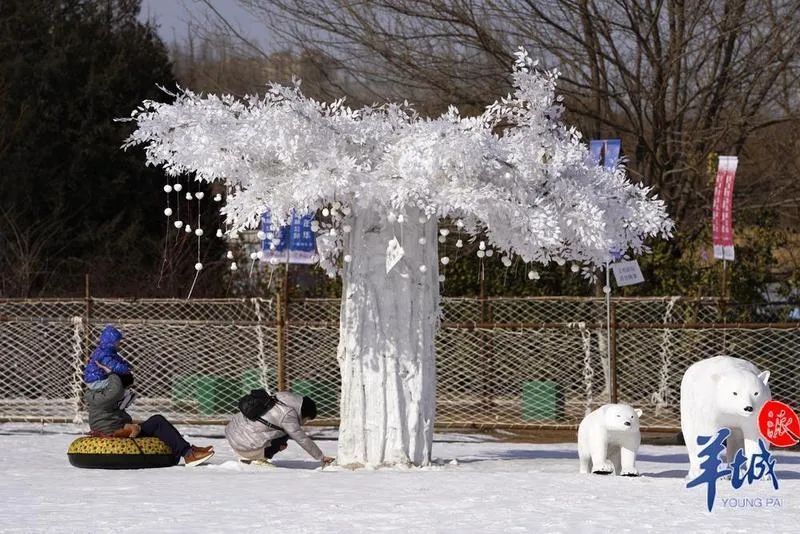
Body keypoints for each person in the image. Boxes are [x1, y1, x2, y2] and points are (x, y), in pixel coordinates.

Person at [85, 370, 215, 467]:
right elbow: (116, 390)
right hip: (115, 432)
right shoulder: (102, 398)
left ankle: (187, 449)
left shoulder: (97, 397)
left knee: (155, 424)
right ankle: (188, 454)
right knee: (157, 422)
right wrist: (112, 373)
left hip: (116, 428)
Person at [225, 390, 334, 467]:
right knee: (287, 433)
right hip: (245, 445)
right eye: (307, 419)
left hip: (234, 436)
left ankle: (251, 455)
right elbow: (301, 438)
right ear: (303, 412)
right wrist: (321, 457)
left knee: (280, 431)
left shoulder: (280, 397)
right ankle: (258, 458)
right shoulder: (288, 414)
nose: (304, 422)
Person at [84, 325, 132, 391]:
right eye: (118, 342)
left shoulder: (108, 351)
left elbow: (117, 360)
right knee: (119, 382)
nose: (119, 344)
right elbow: (113, 365)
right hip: (96, 381)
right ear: (112, 342)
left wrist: (127, 365)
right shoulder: (104, 354)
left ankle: (118, 397)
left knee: (126, 379)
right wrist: (125, 369)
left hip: (100, 378)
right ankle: (116, 399)